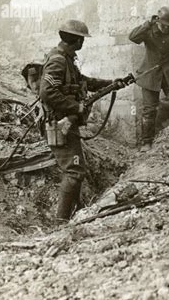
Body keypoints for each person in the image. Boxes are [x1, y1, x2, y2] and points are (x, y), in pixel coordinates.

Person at [39, 19, 120, 221]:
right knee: (74, 172)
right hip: (59, 124)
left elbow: (83, 81)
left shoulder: (66, 60)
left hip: (67, 123)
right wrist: (76, 107)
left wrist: (111, 84)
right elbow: (47, 92)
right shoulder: (58, 60)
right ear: (75, 40)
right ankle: (62, 223)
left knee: (77, 170)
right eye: (81, 39)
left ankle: (72, 216)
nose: (83, 43)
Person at [129, 6, 169, 152]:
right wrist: (147, 24)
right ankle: (146, 142)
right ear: (157, 21)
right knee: (149, 110)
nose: (165, 28)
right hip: (151, 74)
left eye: (168, 25)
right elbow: (132, 37)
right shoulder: (148, 30)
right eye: (163, 25)